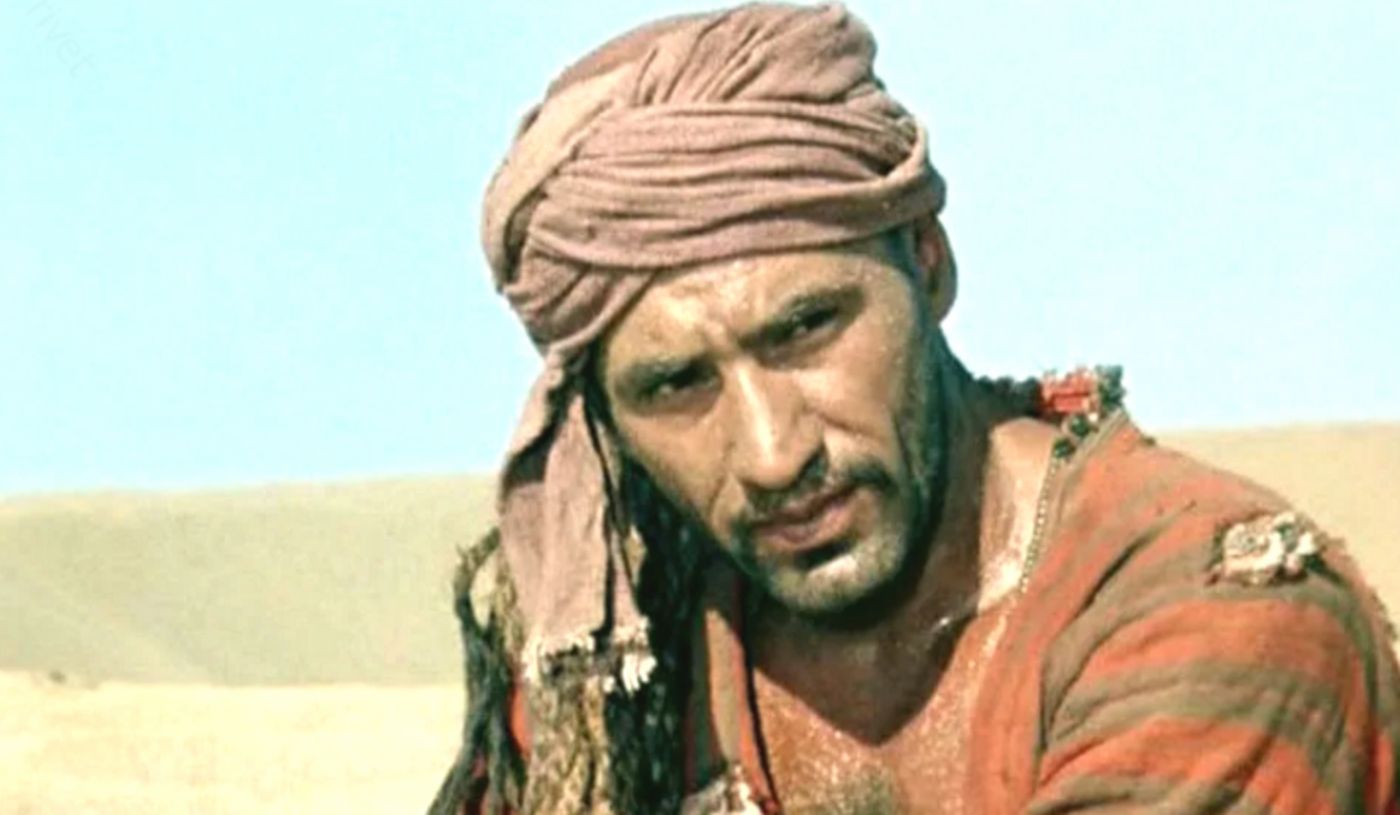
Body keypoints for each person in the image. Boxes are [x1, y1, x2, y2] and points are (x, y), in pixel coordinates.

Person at [430, 5, 1400, 814]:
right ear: (602, 417)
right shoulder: (619, 666)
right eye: (676, 384)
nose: (771, 454)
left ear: (928, 263)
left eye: (805, 328)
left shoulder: (1215, 615)